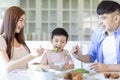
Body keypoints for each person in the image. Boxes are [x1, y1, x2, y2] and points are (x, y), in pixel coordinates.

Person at [72, 0, 120, 72]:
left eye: (103, 18)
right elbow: (91, 57)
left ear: (116, 18)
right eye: (99, 18)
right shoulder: (98, 33)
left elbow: (105, 67)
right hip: (103, 76)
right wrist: (79, 56)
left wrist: (107, 67)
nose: (99, 22)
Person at [0, 6, 44, 74]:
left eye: (24, 21)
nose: (23, 24)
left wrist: (35, 67)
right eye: (21, 20)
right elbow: (7, 68)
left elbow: (24, 67)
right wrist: (31, 56)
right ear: (11, 19)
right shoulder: (1, 39)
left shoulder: (19, 40)